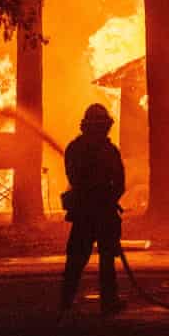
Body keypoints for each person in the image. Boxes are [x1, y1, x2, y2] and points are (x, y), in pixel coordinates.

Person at [59, 103, 126, 317]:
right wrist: (107, 199)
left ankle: (66, 302)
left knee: (77, 260)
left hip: (84, 214)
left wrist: (95, 198)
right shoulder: (109, 151)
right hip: (100, 213)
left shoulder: (75, 149)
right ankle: (108, 302)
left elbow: (73, 178)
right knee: (104, 260)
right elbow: (120, 183)